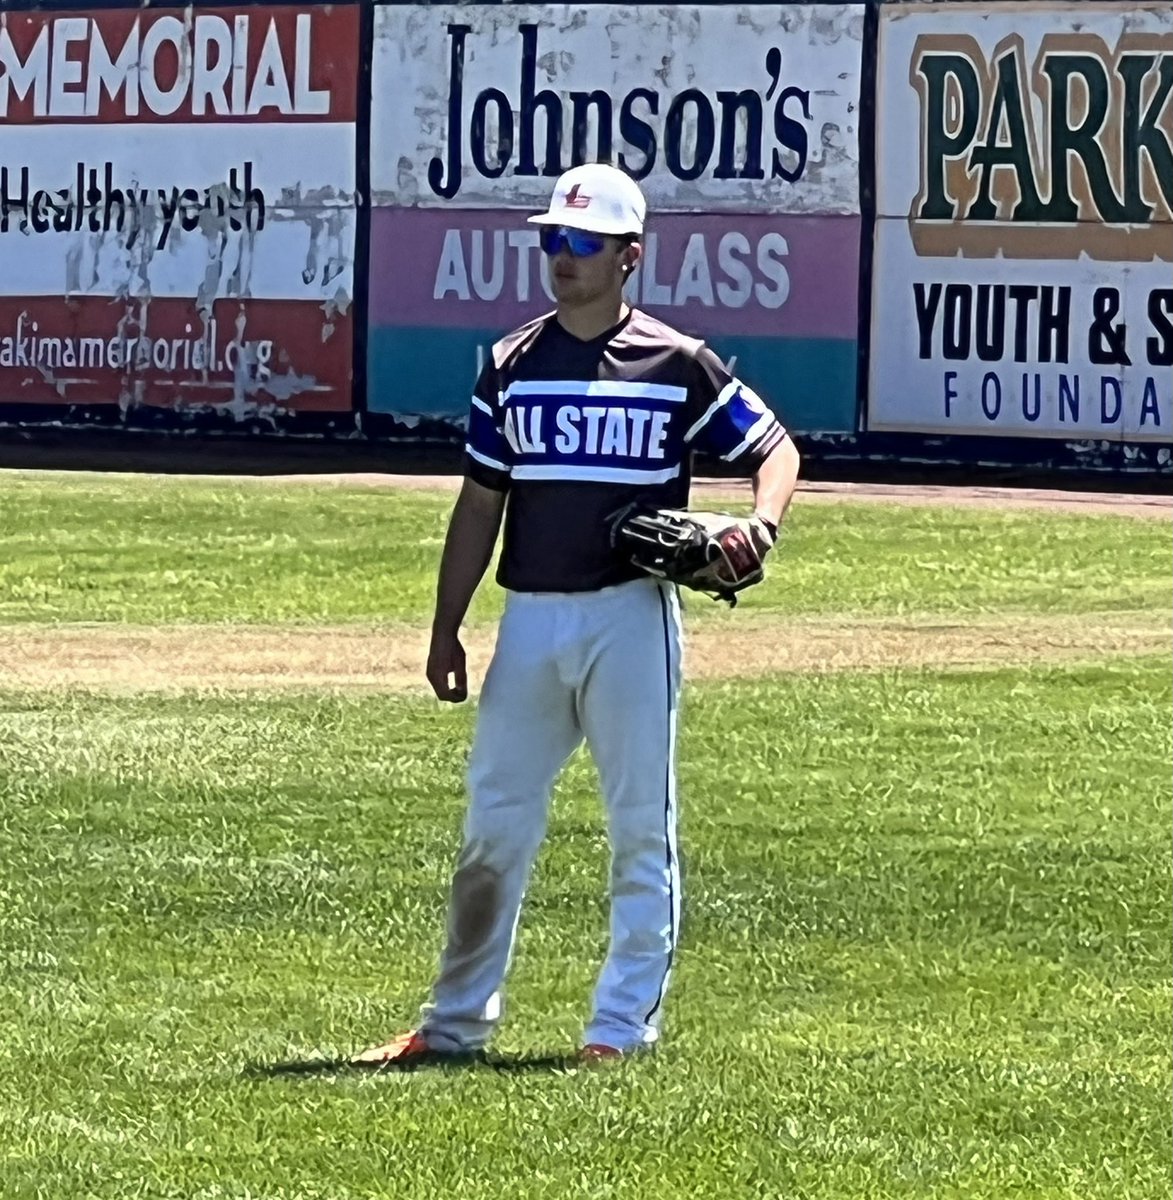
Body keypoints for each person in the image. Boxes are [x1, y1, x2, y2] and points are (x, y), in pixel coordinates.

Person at [354, 163, 801, 1066]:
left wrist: (758, 523)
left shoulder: (676, 362)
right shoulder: (510, 362)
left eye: (582, 242)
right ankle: (452, 1025)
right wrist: (447, 623)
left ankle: (619, 1028)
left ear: (629, 256)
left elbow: (774, 447)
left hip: (630, 616)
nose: (561, 256)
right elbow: (480, 500)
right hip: (529, 620)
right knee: (493, 823)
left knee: (641, 825)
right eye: (551, 239)